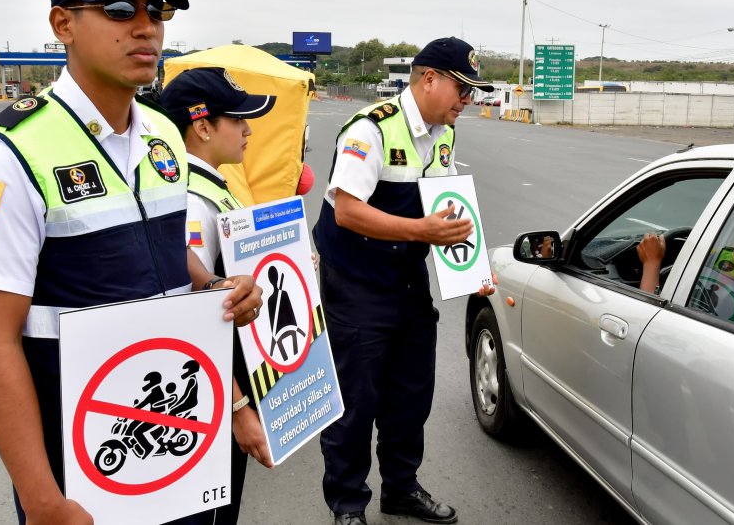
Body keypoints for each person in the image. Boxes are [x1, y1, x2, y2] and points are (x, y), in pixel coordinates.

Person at [0, 0, 262, 525]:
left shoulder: (164, 135)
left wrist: (210, 289)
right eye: (120, 7)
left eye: (159, 9)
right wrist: (45, 503)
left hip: (178, 441)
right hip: (84, 471)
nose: (146, 26)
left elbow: (170, 253)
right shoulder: (7, 156)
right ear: (63, 24)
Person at [313, 37, 496, 525]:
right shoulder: (370, 131)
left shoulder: (444, 133)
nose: (468, 101)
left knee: (410, 395)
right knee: (356, 402)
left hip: (407, 277)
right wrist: (422, 231)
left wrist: (472, 267)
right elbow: (348, 211)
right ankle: (349, 504)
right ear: (428, 78)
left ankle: (401, 488)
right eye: (462, 88)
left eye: (473, 93)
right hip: (355, 281)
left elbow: (447, 204)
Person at [158, 65, 279, 523]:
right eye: (238, 119)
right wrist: (237, 407)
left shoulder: (212, 185)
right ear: (203, 126)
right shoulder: (191, 197)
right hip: (208, 391)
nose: (248, 129)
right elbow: (192, 309)